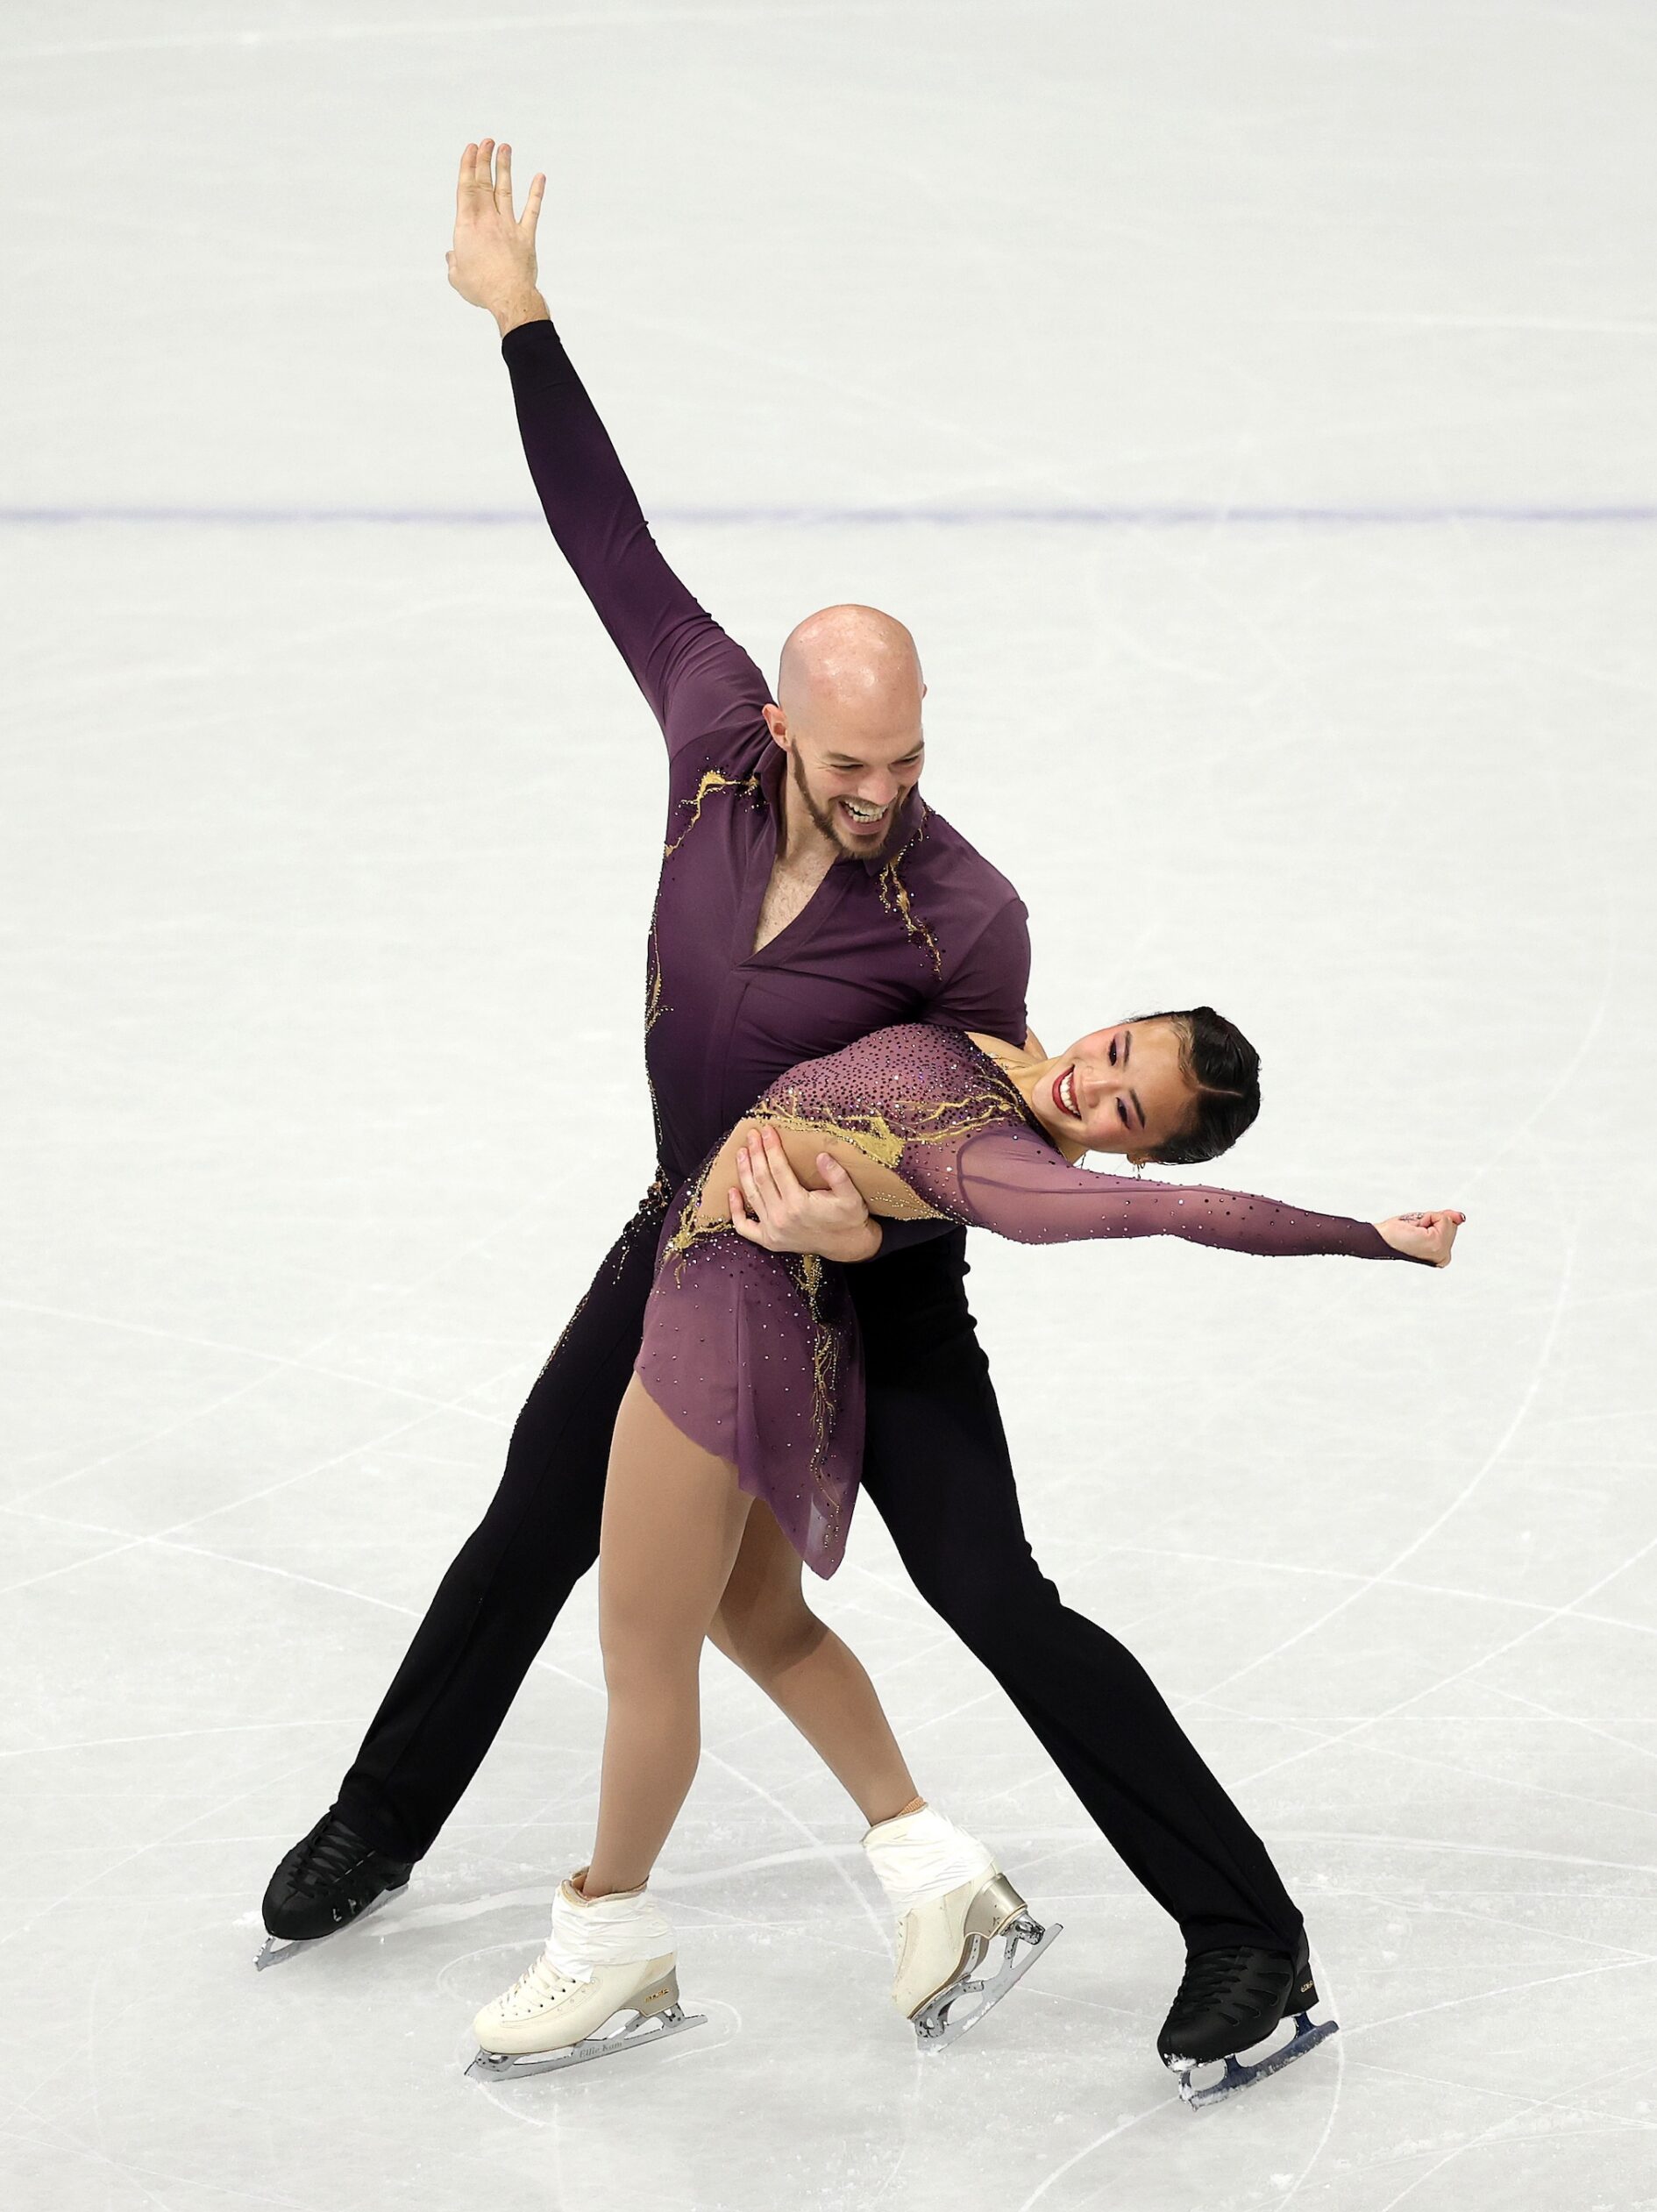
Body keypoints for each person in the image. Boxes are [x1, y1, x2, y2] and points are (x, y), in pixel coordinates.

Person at [261, 138, 1455, 2103]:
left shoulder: (969, 915)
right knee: (529, 1520)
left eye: (910, 755)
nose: (884, 785)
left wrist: (857, 1241)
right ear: (791, 735)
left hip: (877, 1283)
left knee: (994, 1593)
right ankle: (383, 1821)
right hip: (693, 1234)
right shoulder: (716, 739)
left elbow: (972, 1138)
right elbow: (612, 547)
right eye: (854, 758)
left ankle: (1248, 1931)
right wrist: (524, 323)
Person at [466, 1008, 1461, 2092]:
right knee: (753, 1615)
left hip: (773, 1327)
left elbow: (1182, 1208)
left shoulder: (1003, 1168)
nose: (1095, 1081)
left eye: (1129, 1108)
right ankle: (934, 1872)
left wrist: (1372, 1236)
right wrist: (858, 1233)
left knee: (704, 1647)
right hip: (778, 1308)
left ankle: (610, 1935)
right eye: (1119, 1049)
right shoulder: (988, 1030)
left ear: (1132, 1147)